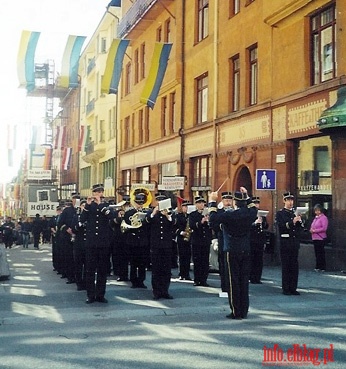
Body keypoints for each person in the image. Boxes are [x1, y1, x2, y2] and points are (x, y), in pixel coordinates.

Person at [209, 187, 257, 320]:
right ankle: (244, 310)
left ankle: (236, 311)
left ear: (235, 202)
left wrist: (212, 201)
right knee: (244, 281)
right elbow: (254, 208)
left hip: (232, 249)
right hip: (245, 249)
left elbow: (212, 219)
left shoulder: (230, 215)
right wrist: (247, 196)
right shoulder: (249, 213)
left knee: (233, 281)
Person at [81, 184, 114, 304]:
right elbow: (82, 219)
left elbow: (111, 216)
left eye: (100, 192)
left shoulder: (106, 205)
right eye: (96, 192)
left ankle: (100, 295)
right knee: (90, 270)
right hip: (91, 243)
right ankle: (90, 295)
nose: (98, 194)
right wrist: (87, 205)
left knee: (102, 270)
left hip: (103, 243)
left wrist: (100, 204)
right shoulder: (88, 206)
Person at [146, 195, 175, 299]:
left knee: (166, 270)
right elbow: (146, 222)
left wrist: (168, 216)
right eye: (159, 200)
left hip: (166, 246)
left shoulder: (169, 213)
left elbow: (173, 224)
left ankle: (165, 291)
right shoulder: (152, 214)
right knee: (156, 269)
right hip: (156, 245)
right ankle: (156, 292)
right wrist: (154, 213)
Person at [276, 192, 304, 296]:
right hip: (285, 243)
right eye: (288, 200)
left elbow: (301, 229)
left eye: (292, 200)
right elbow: (282, 227)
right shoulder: (280, 214)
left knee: (294, 266)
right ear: (284, 201)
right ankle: (286, 288)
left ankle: (293, 288)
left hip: (294, 243)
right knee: (286, 266)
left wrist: (299, 221)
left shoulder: (294, 213)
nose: (290, 202)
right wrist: (293, 222)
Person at [122, 192, 150, 289]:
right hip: (133, 240)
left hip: (143, 241)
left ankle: (141, 281)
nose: (140, 205)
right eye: (138, 203)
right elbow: (125, 225)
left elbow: (148, 226)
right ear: (135, 203)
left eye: (141, 203)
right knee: (133, 263)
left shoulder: (147, 213)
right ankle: (134, 281)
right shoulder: (129, 213)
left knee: (142, 263)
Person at [209, 191, 233, 293]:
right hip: (223, 241)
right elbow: (212, 224)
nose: (228, 202)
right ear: (222, 201)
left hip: (233, 242)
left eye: (229, 200)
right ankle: (225, 287)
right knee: (223, 265)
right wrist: (222, 227)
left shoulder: (235, 212)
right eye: (226, 200)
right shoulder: (219, 212)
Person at [189, 196, 212, 287]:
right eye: (199, 203)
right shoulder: (193, 215)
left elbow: (211, 227)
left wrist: (209, 221)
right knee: (197, 261)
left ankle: (204, 280)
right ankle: (197, 279)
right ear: (196, 204)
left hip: (205, 241)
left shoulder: (208, 214)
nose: (202, 205)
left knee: (205, 261)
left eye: (203, 203)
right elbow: (192, 226)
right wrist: (201, 222)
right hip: (196, 241)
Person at [58, 193, 79, 283]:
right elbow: (60, 223)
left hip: (79, 237)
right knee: (69, 257)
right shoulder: (67, 211)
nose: (76, 200)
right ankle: (70, 276)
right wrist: (67, 229)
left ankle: (78, 277)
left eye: (77, 199)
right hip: (67, 237)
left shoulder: (82, 210)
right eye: (74, 199)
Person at [249, 196, 268, 284]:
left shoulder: (261, 213)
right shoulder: (249, 213)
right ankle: (251, 276)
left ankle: (257, 277)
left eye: (257, 203)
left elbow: (266, 226)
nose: (256, 205)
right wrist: (255, 223)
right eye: (255, 203)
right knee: (251, 259)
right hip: (252, 239)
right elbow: (247, 226)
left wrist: (262, 222)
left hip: (260, 240)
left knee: (259, 260)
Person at [174, 199, 192, 280]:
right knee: (181, 257)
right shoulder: (178, 216)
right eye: (184, 207)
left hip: (188, 239)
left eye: (187, 207)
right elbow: (174, 227)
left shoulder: (190, 216)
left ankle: (187, 274)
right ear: (182, 207)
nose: (186, 208)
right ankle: (181, 273)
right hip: (181, 239)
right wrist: (181, 232)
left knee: (188, 257)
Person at [71, 199, 87, 291]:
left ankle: (86, 282)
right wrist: (79, 225)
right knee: (78, 265)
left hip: (88, 243)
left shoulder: (90, 216)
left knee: (88, 265)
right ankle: (79, 283)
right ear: (80, 207)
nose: (84, 207)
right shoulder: (76, 216)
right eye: (82, 206)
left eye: (85, 206)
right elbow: (73, 229)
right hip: (79, 243)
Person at [310, 204, 328, 272]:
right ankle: (318, 266)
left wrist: (315, 231)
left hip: (320, 238)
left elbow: (324, 228)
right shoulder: (316, 218)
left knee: (321, 253)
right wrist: (311, 229)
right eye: (315, 210)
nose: (316, 212)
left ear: (320, 210)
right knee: (317, 253)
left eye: (317, 210)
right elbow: (313, 225)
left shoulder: (324, 218)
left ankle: (322, 267)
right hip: (315, 237)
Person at [49, 206, 62, 272]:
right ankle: (55, 265)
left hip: (60, 235)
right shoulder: (54, 218)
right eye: (58, 210)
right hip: (55, 235)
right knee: (55, 251)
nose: (59, 211)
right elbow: (51, 226)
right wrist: (54, 231)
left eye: (60, 210)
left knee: (59, 251)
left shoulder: (62, 217)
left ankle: (60, 266)